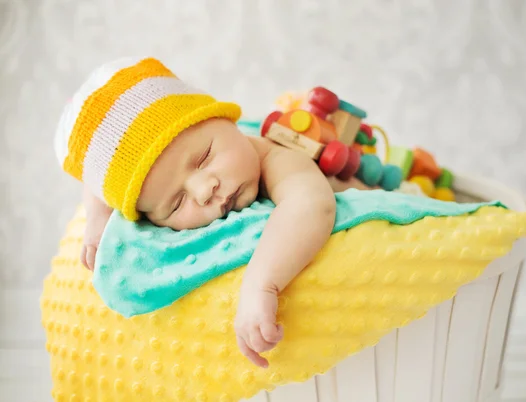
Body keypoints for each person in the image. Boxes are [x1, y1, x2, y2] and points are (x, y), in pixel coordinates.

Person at [55, 56, 375, 368]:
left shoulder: (277, 159)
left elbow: (309, 206)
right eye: (176, 203)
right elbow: (99, 174)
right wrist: (97, 217)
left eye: (204, 158)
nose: (203, 190)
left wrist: (262, 284)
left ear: (226, 120)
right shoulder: (195, 160)